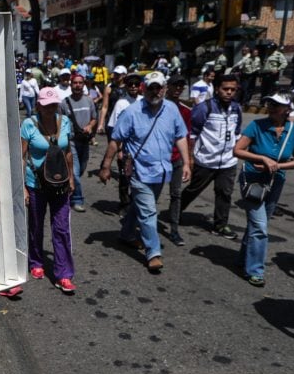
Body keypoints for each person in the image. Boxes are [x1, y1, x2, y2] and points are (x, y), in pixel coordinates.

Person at [99, 72, 191, 273]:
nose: (155, 91)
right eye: (151, 87)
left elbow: (181, 136)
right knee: (149, 211)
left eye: (159, 87)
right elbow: (116, 140)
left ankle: (126, 234)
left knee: (138, 206)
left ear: (164, 88)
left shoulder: (172, 109)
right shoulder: (132, 112)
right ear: (144, 88)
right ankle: (153, 253)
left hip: (162, 171)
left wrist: (186, 163)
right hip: (139, 171)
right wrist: (106, 166)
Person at [232, 93, 294, 287]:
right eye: (270, 103)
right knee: (260, 226)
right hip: (252, 180)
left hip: (276, 182)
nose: (273, 107)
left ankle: (243, 259)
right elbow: (238, 150)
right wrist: (261, 159)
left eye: (278, 104)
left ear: (287, 109)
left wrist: (277, 166)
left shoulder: (292, 130)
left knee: (258, 224)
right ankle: (255, 271)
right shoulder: (256, 126)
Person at [21, 87, 76, 294]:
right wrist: (23, 188)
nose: (50, 108)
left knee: (61, 228)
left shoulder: (64, 122)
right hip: (36, 183)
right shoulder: (29, 124)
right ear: (38, 106)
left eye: (54, 104)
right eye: (46, 105)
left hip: (60, 183)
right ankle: (36, 261)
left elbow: (67, 151)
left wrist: (71, 178)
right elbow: (22, 156)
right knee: (36, 224)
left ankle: (64, 275)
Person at [180, 74, 243, 240]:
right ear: (217, 89)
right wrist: (191, 158)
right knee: (194, 189)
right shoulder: (204, 108)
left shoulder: (236, 108)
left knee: (224, 193)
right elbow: (192, 134)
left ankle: (220, 225)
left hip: (228, 162)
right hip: (206, 160)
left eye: (232, 89)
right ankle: (176, 211)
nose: (229, 92)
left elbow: (237, 132)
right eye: (225, 89)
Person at [60, 73, 98, 213]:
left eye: (80, 83)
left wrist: (90, 126)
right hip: (71, 142)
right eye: (75, 83)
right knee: (75, 172)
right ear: (71, 85)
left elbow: (94, 118)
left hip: (85, 141)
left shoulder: (89, 101)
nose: (77, 85)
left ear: (84, 85)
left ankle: (70, 187)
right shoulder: (64, 103)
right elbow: (60, 122)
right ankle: (77, 200)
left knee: (80, 170)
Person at [107, 72, 143, 214]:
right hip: (126, 149)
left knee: (140, 179)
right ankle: (124, 203)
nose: (133, 87)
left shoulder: (143, 101)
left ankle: (136, 203)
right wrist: (119, 150)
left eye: (136, 84)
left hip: (141, 149)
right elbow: (114, 129)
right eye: (130, 84)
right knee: (125, 178)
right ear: (126, 87)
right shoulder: (121, 103)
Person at [164, 74, 192, 246]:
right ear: (168, 87)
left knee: (176, 194)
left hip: (176, 159)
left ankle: (174, 229)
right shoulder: (159, 106)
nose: (178, 89)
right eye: (175, 86)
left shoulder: (185, 111)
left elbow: (186, 138)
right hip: (159, 159)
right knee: (151, 195)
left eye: (181, 86)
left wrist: (188, 161)